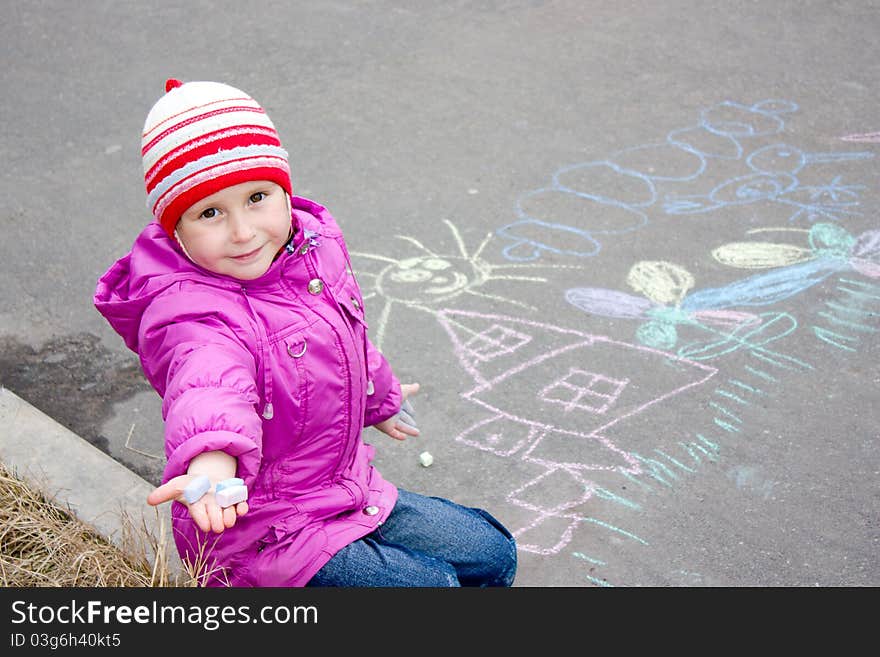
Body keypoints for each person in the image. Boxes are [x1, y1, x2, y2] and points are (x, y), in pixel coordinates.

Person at [94, 79, 517, 587]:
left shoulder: (310, 252)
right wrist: (211, 461)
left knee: (492, 554)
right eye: (210, 213)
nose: (243, 231)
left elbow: (342, 338)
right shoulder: (193, 314)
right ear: (175, 229)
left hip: (340, 490)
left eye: (256, 197)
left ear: (284, 191)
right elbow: (208, 385)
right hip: (262, 535)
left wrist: (377, 394)